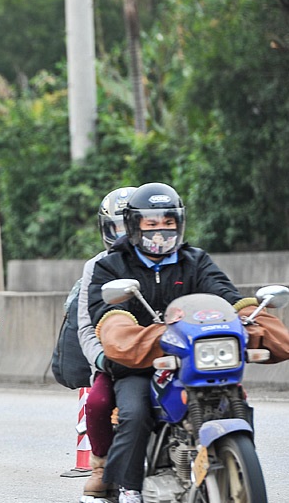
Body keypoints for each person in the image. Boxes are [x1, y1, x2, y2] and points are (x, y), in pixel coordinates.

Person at [87, 182, 289, 503]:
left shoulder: (194, 260)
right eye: (151, 224)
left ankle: (232, 462)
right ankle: (129, 489)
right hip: (140, 362)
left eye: (168, 223)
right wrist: (140, 337)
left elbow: (228, 296)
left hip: (195, 356)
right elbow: (110, 318)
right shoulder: (111, 266)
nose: (161, 231)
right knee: (135, 411)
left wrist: (255, 321)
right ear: (134, 225)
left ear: (179, 224)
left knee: (235, 396)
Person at [76, 186, 136, 502]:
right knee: (97, 402)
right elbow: (87, 325)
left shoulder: (172, 258)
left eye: (131, 225)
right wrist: (102, 359)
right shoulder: (98, 266)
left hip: (167, 353)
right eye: (118, 227)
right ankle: (101, 468)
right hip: (115, 359)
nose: (125, 235)